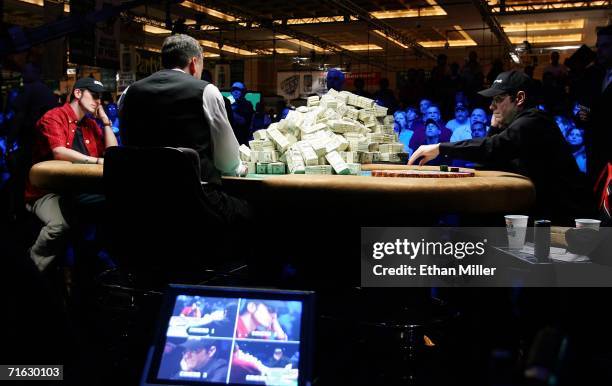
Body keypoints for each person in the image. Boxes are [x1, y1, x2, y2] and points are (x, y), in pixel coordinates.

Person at [409, 70, 594, 224]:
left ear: (519, 98)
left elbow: (493, 148)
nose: (491, 106)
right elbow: (492, 158)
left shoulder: (533, 121)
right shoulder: (519, 123)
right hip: (543, 209)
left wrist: (440, 147)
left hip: (566, 219)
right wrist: (493, 128)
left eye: (497, 99)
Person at [119, 34, 251, 227]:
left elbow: (126, 143)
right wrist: (237, 167)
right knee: (254, 212)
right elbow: (228, 161)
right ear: (193, 63)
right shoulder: (206, 91)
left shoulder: (129, 92)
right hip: (196, 204)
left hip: (140, 204)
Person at [25, 77, 118, 271]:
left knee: (115, 205)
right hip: (46, 191)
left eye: (101, 98)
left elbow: (113, 154)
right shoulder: (54, 117)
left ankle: (94, 265)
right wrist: (97, 161)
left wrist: (106, 122)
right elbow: (59, 152)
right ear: (78, 93)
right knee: (59, 225)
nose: (98, 102)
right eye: (94, 96)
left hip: (78, 190)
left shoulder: (91, 125)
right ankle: (30, 269)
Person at [229, 81, 254, 145]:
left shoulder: (247, 105)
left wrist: (229, 109)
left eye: (239, 90)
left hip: (242, 141)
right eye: (233, 90)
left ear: (244, 92)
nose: (235, 92)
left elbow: (242, 121)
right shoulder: (231, 105)